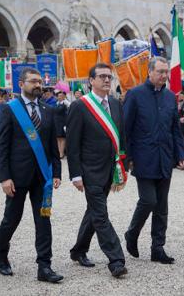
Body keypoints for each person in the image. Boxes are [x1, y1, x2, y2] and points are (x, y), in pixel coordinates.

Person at [0, 67, 63, 283]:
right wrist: (4, 177)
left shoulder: (48, 110)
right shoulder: (9, 109)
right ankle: (0, 254)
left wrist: (56, 173)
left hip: (42, 177)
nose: (38, 84)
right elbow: (2, 147)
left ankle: (45, 266)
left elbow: (53, 146)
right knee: (11, 219)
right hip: (17, 177)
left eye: (39, 81)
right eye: (33, 81)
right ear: (21, 84)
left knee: (44, 220)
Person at [123, 56, 184, 264]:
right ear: (149, 72)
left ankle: (157, 248)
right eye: (160, 71)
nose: (164, 75)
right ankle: (132, 234)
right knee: (148, 200)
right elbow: (126, 129)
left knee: (162, 206)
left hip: (165, 158)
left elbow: (175, 129)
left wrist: (180, 154)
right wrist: (128, 158)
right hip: (143, 158)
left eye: (166, 71)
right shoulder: (135, 95)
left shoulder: (170, 97)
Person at [67, 63, 128, 278]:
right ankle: (116, 259)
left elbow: (121, 137)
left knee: (93, 212)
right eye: (101, 76)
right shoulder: (80, 106)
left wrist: (123, 166)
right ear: (91, 81)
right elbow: (72, 144)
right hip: (89, 171)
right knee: (101, 215)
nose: (106, 80)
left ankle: (78, 250)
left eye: (109, 77)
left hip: (110, 169)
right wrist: (75, 174)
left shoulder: (115, 103)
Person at [54, 90, 70, 158]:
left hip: (63, 122)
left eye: (61, 96)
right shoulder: (56, 103)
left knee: (63, 138)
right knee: (58, 138)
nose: (60, 97)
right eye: (59, 96)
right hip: (56, 122)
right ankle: (59, 152)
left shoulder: (66, 104)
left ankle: (62, 153)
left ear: (64, 97)